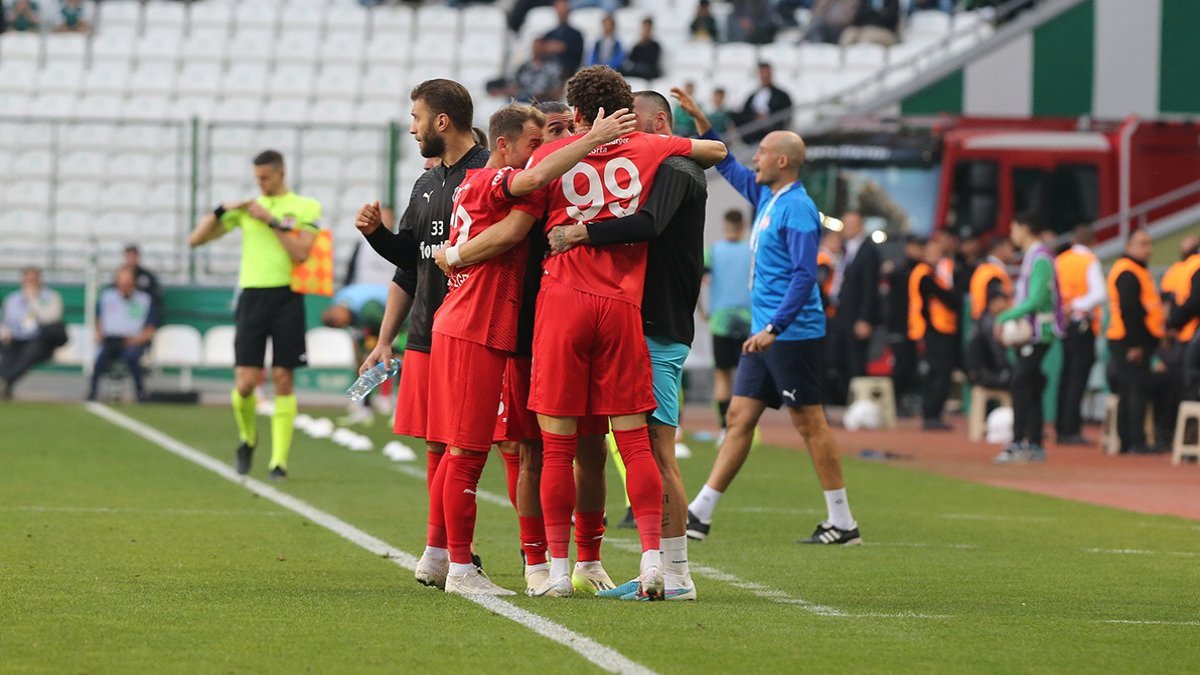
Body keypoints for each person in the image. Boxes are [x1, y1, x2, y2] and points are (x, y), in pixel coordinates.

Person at [475, 66, 726, 598]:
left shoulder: (551, 155)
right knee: (635, 443)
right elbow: (718, 151)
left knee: (557, 447)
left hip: (562, 302)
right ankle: (655, 564)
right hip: (622, 308)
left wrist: (578, 139)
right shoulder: (651, 149)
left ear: (578, 112)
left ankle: (559, 574)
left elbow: (524, 185)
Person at [424, 103, 635, 596]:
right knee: (467, 451)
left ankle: (454, 562)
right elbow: (518, 217)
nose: (542, 153)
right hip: (470, 325)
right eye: (536, 143)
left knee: (469, 450)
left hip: (482, 325)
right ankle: (458, 567)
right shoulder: (487, 179)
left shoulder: (495, 186)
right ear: (504, 146)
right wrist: (591, 140)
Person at [546, 88, 712, 601]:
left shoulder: (676, 169)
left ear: (659, 122)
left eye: (630, 124)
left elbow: (648, 224)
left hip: (658, 326)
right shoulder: (650, 161)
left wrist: (579, 234)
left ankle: (677, 575)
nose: (620, 132)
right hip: (628, 319)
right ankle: (603, 562)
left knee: (657, 450)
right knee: (603, 447)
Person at [683, 106, 862, 547]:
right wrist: (704, 123)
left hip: (791, 334)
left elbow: (805, 276)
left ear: (782, 161)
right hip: (766, 334)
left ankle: (843, 522)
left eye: (762, 153)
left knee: (810, 423)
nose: (754, 160)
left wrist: (776, 328)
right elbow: (726, 163)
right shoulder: (769, 198)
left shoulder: (798, 209)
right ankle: (700, 514)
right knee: (741, 417)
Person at [355, 79, 490, 589]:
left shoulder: (487, 175)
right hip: (431, 330)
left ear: (442, 121)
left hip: (479, 330)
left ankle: (541, 561)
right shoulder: (427, 184)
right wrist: (377, 236)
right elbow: (410, 261)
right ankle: (441, 554)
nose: (411, 128)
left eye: (416, 117)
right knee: (441, 446)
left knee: (496, 448)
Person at [188, 151, 321, 481]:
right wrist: (222, 209)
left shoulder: (305, 206)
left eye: (265, 178)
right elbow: (196, 239)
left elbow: (303, 253)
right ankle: (248, 438)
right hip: (251, 297)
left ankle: (279, 462)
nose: (260, 184)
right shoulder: (247, 210)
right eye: (257, 178)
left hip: (287, 296)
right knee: (246, 383)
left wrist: (271, 221)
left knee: (282, 378)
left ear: (280, 173)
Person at [993, 213, 1062, 464]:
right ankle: (1033, 443)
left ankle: (1019, 442)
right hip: (1032, 334)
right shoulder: (1034, 257)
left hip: (1038, 334)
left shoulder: (1041, 258)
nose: (1012, 235)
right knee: (1030, 384)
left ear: (1024, 228)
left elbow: (1035, 301)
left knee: (1021, 383)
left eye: (1013, 228)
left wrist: (1004, 317)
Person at [1105, 230, 1166, 454]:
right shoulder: (1128, 272)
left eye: (1149, 244)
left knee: (1130, 389)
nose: (1147, 248)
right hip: (1129, 340)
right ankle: (1135, 442)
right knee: (1135, 390)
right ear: (1129, 246)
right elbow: (1129, 310)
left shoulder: (1136, 270)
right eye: (1142, 244)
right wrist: (1135, 344)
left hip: (1130, 339)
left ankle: (1128, 442)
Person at [1053, 226, 1107, 445]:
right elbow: (1099, 293)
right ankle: (1071, 429)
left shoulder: (1061, 260)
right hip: (1082, 323)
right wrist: (1076, 304)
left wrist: (1063, 308)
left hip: (1065, 325)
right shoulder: (1089, 260)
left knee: (1066, 375)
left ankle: (1061, 426)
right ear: (1092, 241)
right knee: (1077, 377)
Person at [703, 209, 753, 439]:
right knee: (745, 376)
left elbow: (696, 282)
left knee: (722, 377)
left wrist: (703, 312)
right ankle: (743, 426)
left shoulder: (713, 252)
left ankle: (725, 428)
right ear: (743, 226)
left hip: (721, 320)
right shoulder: (753, 251)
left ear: (725, 226)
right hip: (747, 320)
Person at [828, 211, 880, 405]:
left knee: (855, 362)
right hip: (840, 315)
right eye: (845, 225)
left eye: (852, 225)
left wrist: (865, 319)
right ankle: (846, 401)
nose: (848, 229)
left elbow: (870, 287)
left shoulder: (868, 250)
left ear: (860, 226)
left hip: (856, 316)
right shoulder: (842, 249)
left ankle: (860, 405)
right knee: (836, 360)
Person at [909, 237, 960, 430]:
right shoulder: (925, 274)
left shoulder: (934, 273)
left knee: (939, 373)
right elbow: (948, 298)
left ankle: (933, 413)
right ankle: (931, 414)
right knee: (939, 373)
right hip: (934, 329)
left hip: (939, 328)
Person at [88, 267, 157, 402]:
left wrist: (134, 340)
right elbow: (99, 320)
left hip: (133, 341)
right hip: (111, 340)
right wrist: (100, 334)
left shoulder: (144, 300)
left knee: (132, 357)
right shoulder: (107, 297)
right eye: (121, 283)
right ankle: (92, 392)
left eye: (127, 283)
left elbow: (150, 329)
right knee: (100, 360)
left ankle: (140, 392)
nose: (124, 287)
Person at [0, 267, 64, 399]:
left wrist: (33, 300)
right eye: (27, 279)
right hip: (15, 338)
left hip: (39, 339)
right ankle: (6, 382)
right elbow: (4, 321)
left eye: (33, 280)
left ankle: (5, 378)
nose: (30, 283)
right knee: (7, 353)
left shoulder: (50, 297)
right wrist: (5, 333)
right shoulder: (12, 298)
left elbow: (52, 318)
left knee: (28, 354)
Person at [1164, 236, 1200, 400]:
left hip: (1181, 333)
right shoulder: (1191, 267)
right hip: (1188, 332)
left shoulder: (1180, 268)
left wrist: (1170, 324)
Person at [733, 63, 793, 145]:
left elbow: (785, 112)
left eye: (766, 73)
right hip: (753, 126)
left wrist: (767, 117)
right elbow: (745, 112)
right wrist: (755, 116)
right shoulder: (752, 96)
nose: (764, 76)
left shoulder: (781, 95)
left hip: (771, 127)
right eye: (762, 73)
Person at [542, 0, 585, 76]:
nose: (562, 14)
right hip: (548, 74)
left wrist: (564, 48)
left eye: (564, 11)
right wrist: (546, 48)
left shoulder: (576, 35)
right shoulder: (549, 35)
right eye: (560, 12)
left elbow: (577, 58)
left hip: (567, 74)